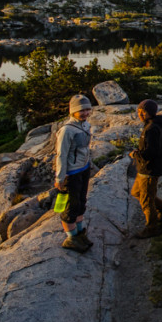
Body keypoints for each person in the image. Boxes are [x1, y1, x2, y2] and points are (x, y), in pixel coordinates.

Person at [130, 99, 162, 238]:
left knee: (146, 200)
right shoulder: (153, 125)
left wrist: (136, 154)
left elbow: (152, 152)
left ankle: (152, 227)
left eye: (143, 112)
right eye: (139, 112)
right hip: (145, 168)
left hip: (149, 170)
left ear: (150, 113)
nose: (140, 114)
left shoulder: (152, 128)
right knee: (137, 192)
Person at [55, 94, 94, 253]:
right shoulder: (66, 130)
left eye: (87, 109)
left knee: (81, 202)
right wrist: (60, 176)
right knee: (70, 206)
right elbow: (61, 154)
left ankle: (79, 233)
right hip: (71, 173)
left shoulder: (85, 125)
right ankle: (71, 238)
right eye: (81, 110)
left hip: (83, 169)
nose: (85, 113)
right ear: (73, 111)